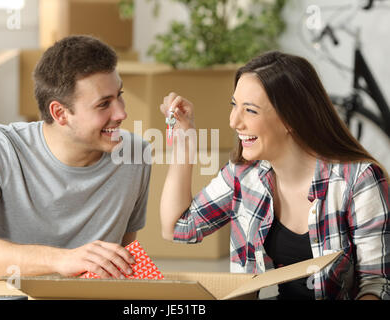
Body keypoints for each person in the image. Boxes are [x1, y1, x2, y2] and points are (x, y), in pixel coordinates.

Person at [159, 51, 389, 300]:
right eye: (234, 105)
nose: (234, 121)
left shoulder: (358, 180)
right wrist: (184, 142)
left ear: (290, 118)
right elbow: (177, 228)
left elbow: (376, 285)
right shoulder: (243, 176)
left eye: (250, 110)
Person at [0, 35, 151, 289]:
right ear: (60, 113)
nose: (121, 113)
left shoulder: (135, 155)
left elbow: (121, 262)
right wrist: (63, 260)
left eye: (119, 95)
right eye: (104, 104)